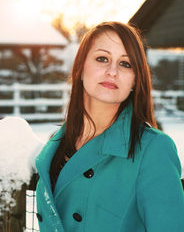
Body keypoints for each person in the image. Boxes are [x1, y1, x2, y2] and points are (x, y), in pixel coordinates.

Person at [35, 21, 184, 232]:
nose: (112, 71)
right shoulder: (57, 143)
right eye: (102, 58)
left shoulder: (153, 149)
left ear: (135, 80)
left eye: (125, 64)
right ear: (80, 68)